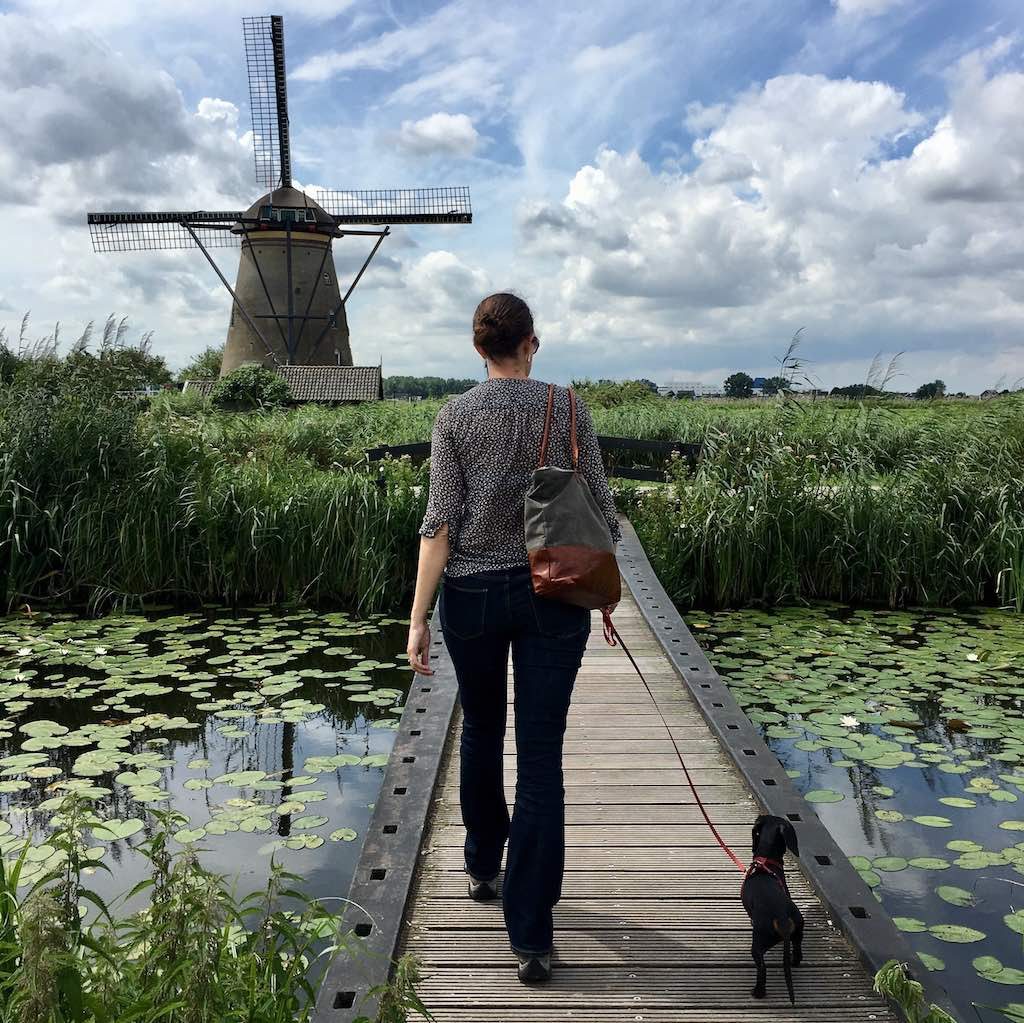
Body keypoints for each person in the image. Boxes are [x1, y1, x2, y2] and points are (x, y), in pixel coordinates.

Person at [406, 292, 621, 984]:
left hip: (469, 594)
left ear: (478, 349)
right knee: (540, 755)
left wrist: (416, 617)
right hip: (552, 595)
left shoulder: (453, 416)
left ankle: (479, 866)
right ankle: (531, 936)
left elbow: (439, 523)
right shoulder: (567, 407)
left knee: (478, 730)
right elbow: (604, 514)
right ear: (532, 343)